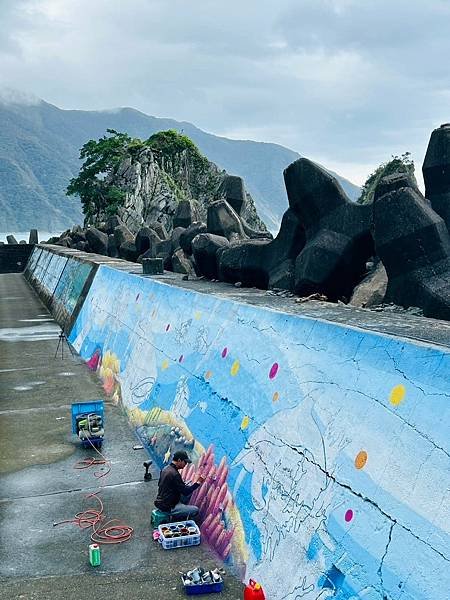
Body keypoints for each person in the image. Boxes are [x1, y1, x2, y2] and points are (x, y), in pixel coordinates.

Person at [154, 450, 205, 519]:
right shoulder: (175, 474)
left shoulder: (165, 469)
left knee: (187, 488)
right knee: (195, 510)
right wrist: (198, 483)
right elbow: (186, 492)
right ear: (179, 460)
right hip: (168, 507)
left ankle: (180, 510)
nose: (186, 464)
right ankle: (179, 518)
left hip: (160, 501)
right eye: (185, 462)